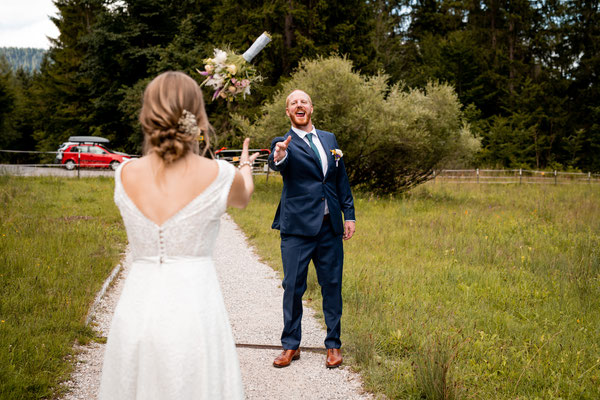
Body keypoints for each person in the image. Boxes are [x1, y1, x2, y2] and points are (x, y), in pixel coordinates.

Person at [99, 71, 258, 399]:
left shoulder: (124, 173)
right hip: (195, 311)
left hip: (136, 310)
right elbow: (244, 196)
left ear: (147, 116)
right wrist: (244, 166)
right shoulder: (220, 175)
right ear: (198, 118)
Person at [267, 89, 355, 369]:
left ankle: (333, 345)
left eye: (303, 101)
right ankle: (291, 345)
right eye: (293, 103)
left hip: (330, 227)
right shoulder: (283, 143)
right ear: (288, 113)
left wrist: (349, 214)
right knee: (293, 287)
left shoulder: (329, 139)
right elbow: (277, 163)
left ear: (311, 108)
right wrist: (279, 155)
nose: (298, 104)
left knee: (332, 285)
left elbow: (340, 179)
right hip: (297, 228)